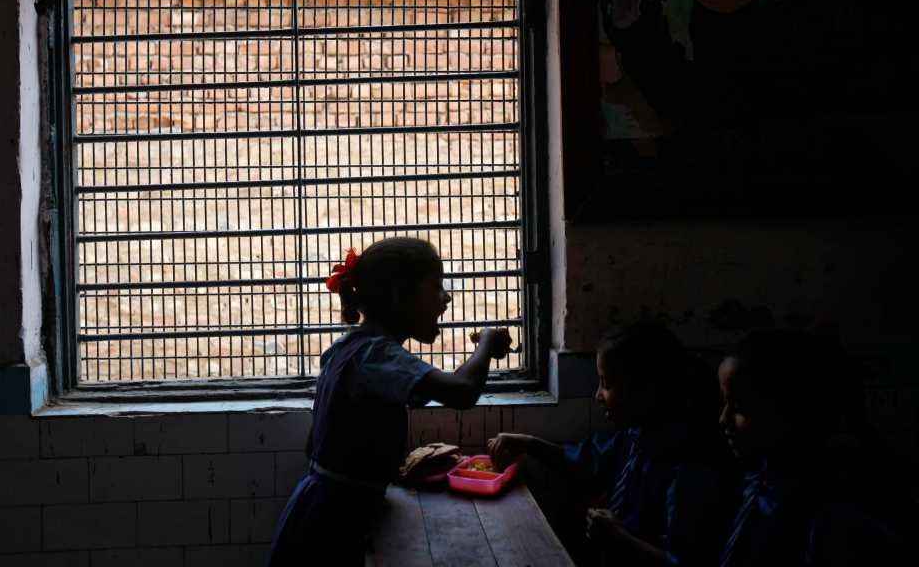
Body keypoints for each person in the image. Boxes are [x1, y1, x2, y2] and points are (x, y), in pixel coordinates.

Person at [267, 237, 513, 567]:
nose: (446, 298)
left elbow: (315, 443)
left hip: (316, 505)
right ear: (400, 295)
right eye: (436, 286)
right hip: (335, 520)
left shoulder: (347, 349)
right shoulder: (377, 355)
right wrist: (486, 343)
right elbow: (462, 391)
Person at [489, 322, 732, 566]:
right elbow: (580, 461)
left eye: (606, 384)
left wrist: (619, 539)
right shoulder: (634, 437)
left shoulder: (688, 468)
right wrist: (528, 443)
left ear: (645, 390)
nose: (598, 396)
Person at [717, 329, 901, 566]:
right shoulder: (758, 484)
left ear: (791, 412)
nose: (723, 419)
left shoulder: (836, 522)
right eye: (725, 403)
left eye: (740, 408)